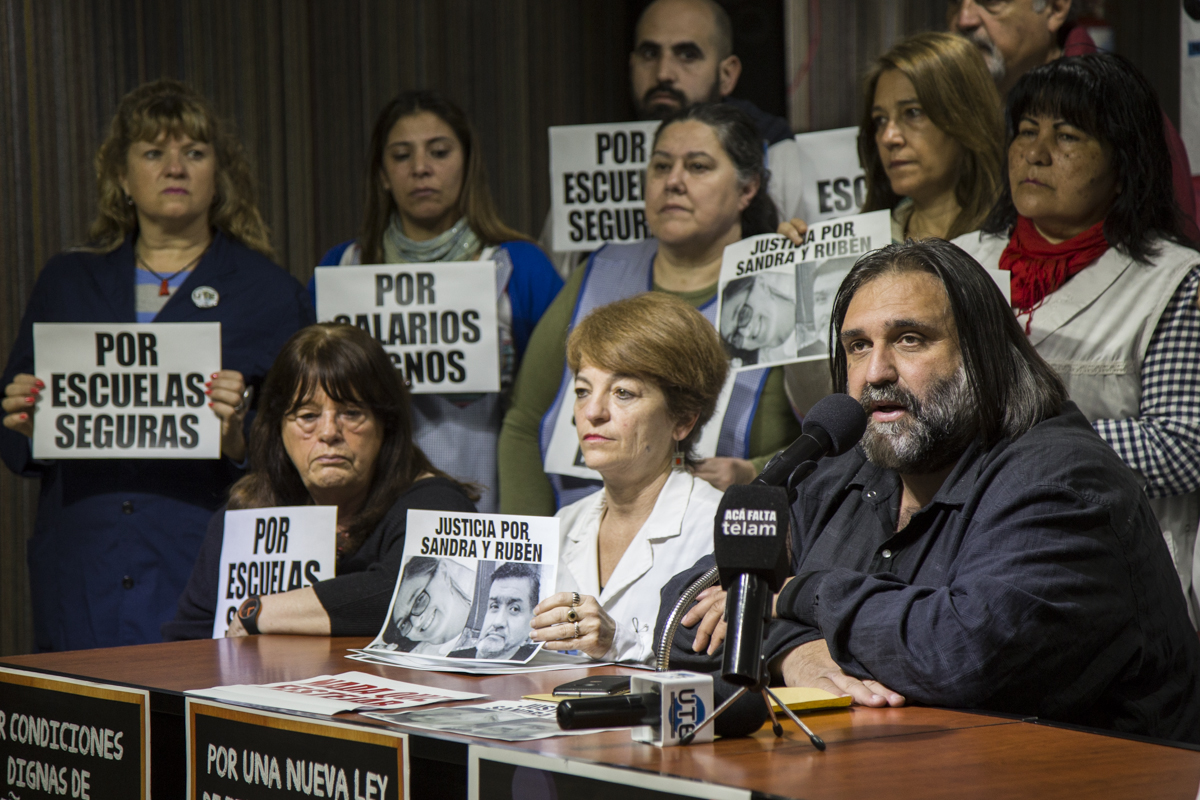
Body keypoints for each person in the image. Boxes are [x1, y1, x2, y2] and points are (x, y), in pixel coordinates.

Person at [662, 238, 1200, 744]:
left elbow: (964, 653)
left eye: (909, 339)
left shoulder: (1063, 478)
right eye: (858, 346)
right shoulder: (842, 470)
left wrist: (798, 595)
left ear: (983, 353)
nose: (876, 372)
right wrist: (792, 650)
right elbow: (682, 617)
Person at [0, 79, 314, 651]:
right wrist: (24, 420)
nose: (175, 168)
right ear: (121, 176)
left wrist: (239, 437)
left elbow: (303, 443)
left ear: (218, 174)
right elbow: (13, 438)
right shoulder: (67, 282)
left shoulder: (269, 293)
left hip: (199, 556)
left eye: (194, 152)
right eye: (153, 153)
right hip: (84, 563)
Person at [951, 54, 1200, 620]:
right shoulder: (959, 262)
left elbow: (1182, 446)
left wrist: (1022, 440)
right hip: (971, 562)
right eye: (1026, 131)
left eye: (1067, 136)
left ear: (1124, 162)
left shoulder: (1174, 281)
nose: (1036, 154)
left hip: (1115, 577)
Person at [500, 103, 803, 516]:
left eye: (697, 167)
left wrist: (755, 472)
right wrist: (536, 541)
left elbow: (835, 435)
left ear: (748, 188)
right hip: (574, 531)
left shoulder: (785, 282)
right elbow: (524, 422)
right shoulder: (601, 268)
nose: (673, 181)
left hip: (717, 534)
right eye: (661, 166)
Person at [314, 90, 562, 513]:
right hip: (365, 507)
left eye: (439, 152)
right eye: (402, 155)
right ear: (382, 174)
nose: (421, 168)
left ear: (467, 163)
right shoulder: (341, 267)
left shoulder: (521, 267)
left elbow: (561, 393)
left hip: (489, 502)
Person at [163, 323, 477, 640]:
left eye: (351, 413)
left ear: (387, 423)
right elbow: (187, 639)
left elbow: (398, 591)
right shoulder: (247, 514)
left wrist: (263, 611)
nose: (329, 433)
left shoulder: (437, 505)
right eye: (308, 416)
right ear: (278, 428)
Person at [527, 293, 729, 665]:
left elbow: (714, 667)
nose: (592, 411)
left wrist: (617, 640)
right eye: (582, 391)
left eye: (623, 393)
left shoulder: (718, 528)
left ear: (683, 420)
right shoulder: (563, 523)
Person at [539, 0, 805, 276]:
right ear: (631, 65)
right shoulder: (594, 161)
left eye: (688, 55)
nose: (663, 73)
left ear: (727, 74)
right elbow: (559, 271)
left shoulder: (773, 151)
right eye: (649, 53)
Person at [948, 0, 1200, 239]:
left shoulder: (1116, 106)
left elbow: (1166, 253)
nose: (964, 19)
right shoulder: (946, 101)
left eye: (991, 1)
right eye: (955, 1)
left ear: (1056, 8)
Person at [379, 556, 478, 655]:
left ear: (443, 573)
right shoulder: (412, 658)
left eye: (419, 600)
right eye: (404, 624)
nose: (416, 623)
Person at [450, 562, 540, 661]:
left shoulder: (536, 665)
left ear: (533, 622)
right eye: (494, 606)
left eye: (514, 609)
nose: (497, 622)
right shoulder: (453, 658)